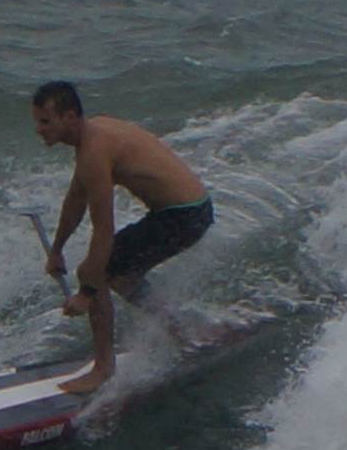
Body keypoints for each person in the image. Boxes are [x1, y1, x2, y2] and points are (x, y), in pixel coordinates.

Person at [29, 80, 213, 395]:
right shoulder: (91, 137)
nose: (39, 130)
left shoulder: (94, 151)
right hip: (187, 212)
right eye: (37, 121)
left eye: (45, 121)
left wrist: (87, 291)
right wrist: (56, 249)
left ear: (69, 117)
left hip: (184, 216)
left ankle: (103, 369)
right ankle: (180, 330)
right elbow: (75, 200)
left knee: (96, 271)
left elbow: (103, 229)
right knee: (121, 276)